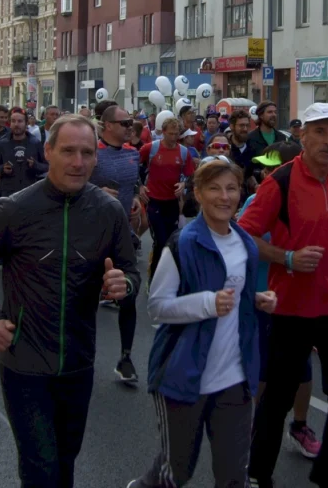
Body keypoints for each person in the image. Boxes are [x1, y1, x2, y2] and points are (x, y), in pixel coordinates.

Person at [0, 114, 140, 488]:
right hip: (25, 362)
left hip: (78, 361)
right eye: (68, 151)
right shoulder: (15, 209)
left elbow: (131, 270)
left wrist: (125, 283)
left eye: (87, 153)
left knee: (65, 461)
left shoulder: (109, 211)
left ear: (96, 158)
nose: (78, 162)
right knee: (40, 466)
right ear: (48, 151)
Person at [129, 159, 278, 488]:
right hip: (184, 375)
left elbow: (236, 293)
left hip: (235, 378)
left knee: (233, 476)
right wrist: (208, 303)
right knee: (175, 473)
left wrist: (255, 298)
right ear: (197, 192)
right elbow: (157, 306)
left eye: (231, 188)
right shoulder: (182, 244)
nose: (224, 197)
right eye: (214, 188)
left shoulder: (246, 245)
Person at [238, 102, 328, 488]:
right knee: (277, 399)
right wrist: (286, 257)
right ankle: (258, 473)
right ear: (303, 136)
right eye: (321, 133)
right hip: (291, 309)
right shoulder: (281, 181)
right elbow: (243, 235)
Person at [239, 142, 323, 461]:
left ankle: (299, 426)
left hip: (298, 302)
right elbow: (244, 239)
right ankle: (253, 427)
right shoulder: (255, 199)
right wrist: (287, 258)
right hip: (263, 299)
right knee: (264, 371)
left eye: (269, 168)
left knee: (302, 371)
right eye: (262, 168)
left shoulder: (310, 202)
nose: (262, 173)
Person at [92, 104, 144, 385]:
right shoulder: (92, 154)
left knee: (129, 294)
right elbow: (73, 187)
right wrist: (95, 192)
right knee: (84, 295)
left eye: (131, 123)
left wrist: (134, 197)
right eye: (125, 123)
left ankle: (125, 357)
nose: (130, 128)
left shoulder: (133, 153)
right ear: (107, 126)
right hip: (92, 233)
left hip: (122, 231)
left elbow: (132, 183)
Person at [139, 116, 196, 283]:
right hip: (153, 200)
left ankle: (169, 279)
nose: (173, 137)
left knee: (171, 242)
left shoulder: (183, 152)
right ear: (163, 132)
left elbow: (190, 175)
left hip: (172, 202)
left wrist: (183, 184)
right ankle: (154, 279)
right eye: (170, 134)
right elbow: (135, 166)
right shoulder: (151, 148)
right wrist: (140, 187)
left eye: (176, 134)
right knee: (160, 241)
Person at [0, 108, 46, 197]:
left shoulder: (35, 143)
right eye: (13, 121)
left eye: (20, 121)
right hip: (7, 194)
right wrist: (2, 169)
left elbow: (46, 166)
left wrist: (35, 165)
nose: (16, 124)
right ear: (9, 123)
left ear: (26, 123)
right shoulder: (2, 143)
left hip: (30, 193)